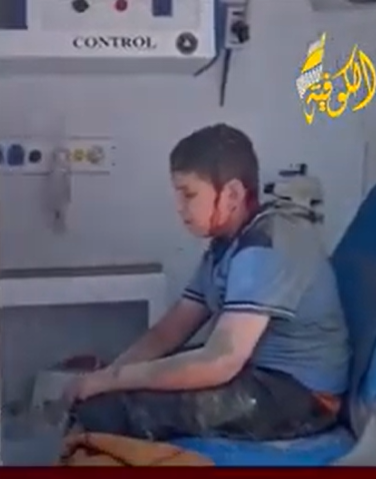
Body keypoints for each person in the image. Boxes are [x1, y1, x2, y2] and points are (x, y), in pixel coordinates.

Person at [64, 123, 349, 442]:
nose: (179, 207)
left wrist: (113, 381)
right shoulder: (224, 246)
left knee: (107, 412)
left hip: (303, 396)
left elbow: (221, 360)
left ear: (232, 194)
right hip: (254, 374)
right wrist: (107, 377)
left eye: (189, 194)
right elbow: (168, 332)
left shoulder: (266, 244)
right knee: (105, 397)